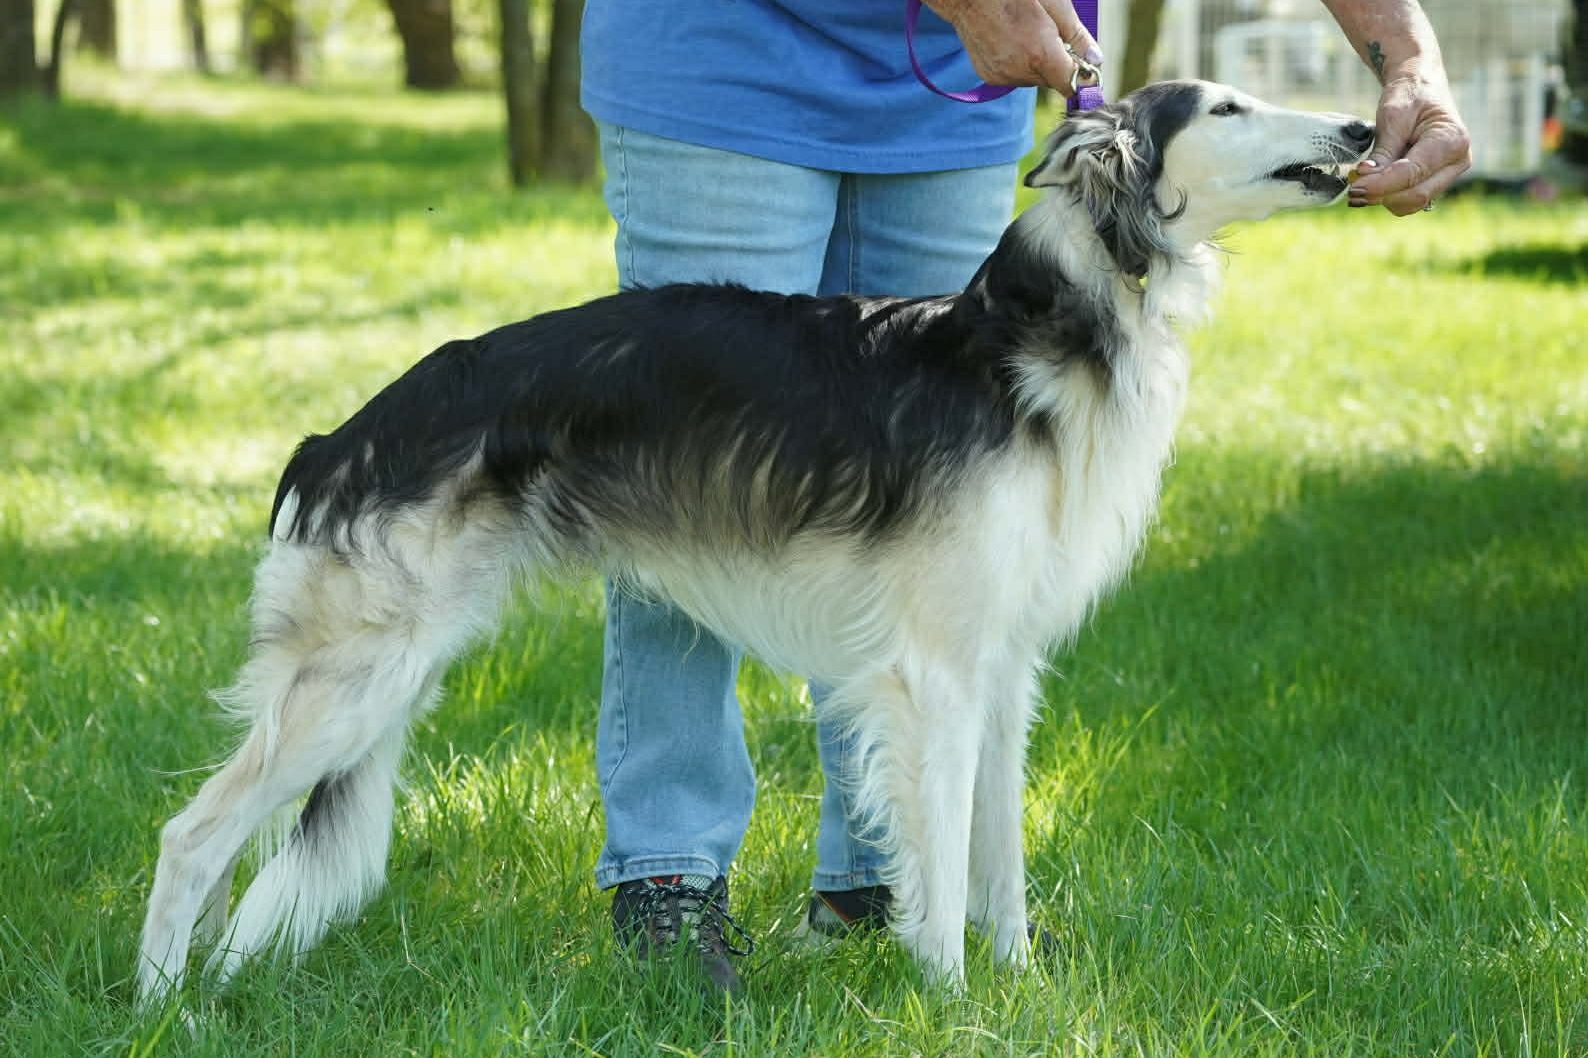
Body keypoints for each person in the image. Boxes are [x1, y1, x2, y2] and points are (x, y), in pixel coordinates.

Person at [576, 0, 1470, 996]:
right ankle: (669, 872)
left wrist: (1410, 61)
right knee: (689, 489)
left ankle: (878, 888)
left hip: (953, 100)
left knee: (946, 576)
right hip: (723, 70)